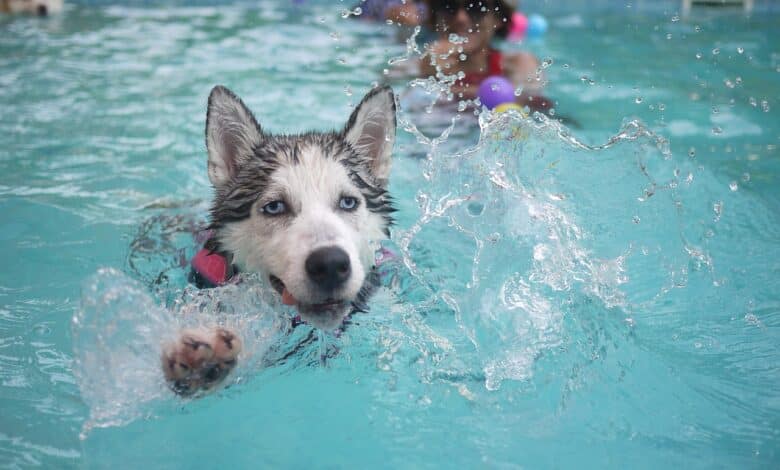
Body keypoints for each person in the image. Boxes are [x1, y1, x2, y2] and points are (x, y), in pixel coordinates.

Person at [419, 0, 553, 114]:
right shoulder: (419, 66)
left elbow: (534, 105)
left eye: (476, 7)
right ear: (435, 17)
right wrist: (426, 75)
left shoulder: (517, 64)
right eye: (448, 6)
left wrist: (439, 90)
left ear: (498, 18)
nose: (461, 18)